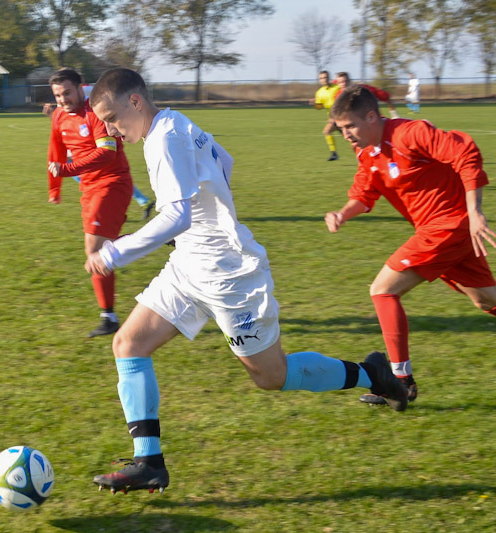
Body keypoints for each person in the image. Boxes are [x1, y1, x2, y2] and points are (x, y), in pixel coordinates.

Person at [86, 68, 409, 494]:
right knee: (128, 344)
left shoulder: (162, 139)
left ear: (135, 102)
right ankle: (149, 462)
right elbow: (224, 160)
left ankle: (373, 375)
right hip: (189, 265)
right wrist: (212, 219)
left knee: (270, 376)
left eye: (111, 117)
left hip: (226, 275)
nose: (109, 130)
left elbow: (176, 215)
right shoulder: (177, 122)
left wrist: (113, 252)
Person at [324, 85, 496, 407]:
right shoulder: (367, 151)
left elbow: (465, 150)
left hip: (449, 227)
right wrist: (342, 213)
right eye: (341, 128)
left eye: (350, 126)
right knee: (486, 299)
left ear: (372, 116)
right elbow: (364, 191)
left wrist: (475, 211)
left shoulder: (409, 134)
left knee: (383, 290)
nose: (345, 134)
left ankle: (401, 382)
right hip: (443, 232)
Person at [47, 68, 134, 337]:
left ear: (81, 88)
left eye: (67, 92)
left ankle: (108, 317)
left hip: (112, 182)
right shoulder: (60, 116)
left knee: (94, 250)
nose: (62, 100)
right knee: (99, 251)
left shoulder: (95, 114)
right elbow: (56, 151)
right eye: (58, 95)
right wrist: (55, 188)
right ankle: (108, 315)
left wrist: (67, 171)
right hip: (89, 187)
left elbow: (107, 154)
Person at [43, 95, 155, 220]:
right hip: (75, 145)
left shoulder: (86, 101)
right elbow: (64, 121)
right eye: (57, 95)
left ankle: (137, 202)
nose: (62, 98)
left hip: (89, 147)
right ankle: (138, 202)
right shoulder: (66, 103)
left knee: (99, 175)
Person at [310, 70, 342, 161]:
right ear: (320, 80)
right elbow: (319, 107)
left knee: (351, 138)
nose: (324, 79)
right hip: (332, 118)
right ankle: (334, 153)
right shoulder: (319, 92)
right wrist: (315, 104)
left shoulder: (337, 88)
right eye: (322, 78)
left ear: (329, 78)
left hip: (342, 116)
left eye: (326, 77)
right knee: (327, 132)